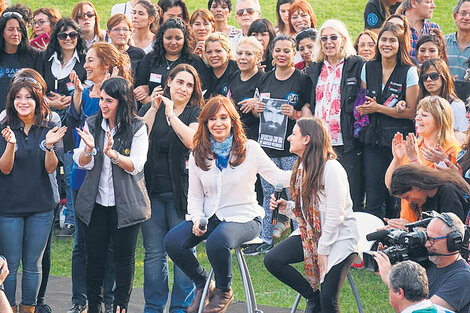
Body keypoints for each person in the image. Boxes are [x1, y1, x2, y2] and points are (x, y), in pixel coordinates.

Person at [164, 95, 291, 313]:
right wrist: (196, 218)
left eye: (224, 117)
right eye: (212, 119)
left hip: (246, 217)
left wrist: (307, 171)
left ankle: (224, 290)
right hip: (211, 216)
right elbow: (194, 196)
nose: (218, 123)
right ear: (205, 124)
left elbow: (277, 176)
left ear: (232, 121)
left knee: (216, 242)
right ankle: (204, 283)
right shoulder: (198, 153)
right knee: (172, 242)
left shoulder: (250, 148)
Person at [264, 117, 358, 313]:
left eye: (294, 134)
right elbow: (305, 211)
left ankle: (319, 300)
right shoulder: (300, 167)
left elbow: (335, 215)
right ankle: (310, 295)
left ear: (307, 139)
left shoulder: (331, 168)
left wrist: (322, 250)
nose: (289, 138)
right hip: (312, 234)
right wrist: (286, 206)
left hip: (339, 238)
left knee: (328, 301)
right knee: (272, 259)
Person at [73, 77, 150, 313]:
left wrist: (113, 155)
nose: (103, 105)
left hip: (126, 204)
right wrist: (88, 150)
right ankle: (95, 307)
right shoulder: (93, 123)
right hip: (96, 203)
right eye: (101, 99)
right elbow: (81, 162)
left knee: (124, 259)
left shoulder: (137, 127)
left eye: (109, 100)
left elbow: (137, 164)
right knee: (94, 258)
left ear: (123, 101)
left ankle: (120, 307)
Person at [67, 42, 132, 313]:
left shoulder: (119, 93)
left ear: (106, 63)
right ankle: (80, 301)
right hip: (83, 176)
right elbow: (73, 128)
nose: (86, 65)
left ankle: (107, 300)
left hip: (110, 180)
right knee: (82, 245)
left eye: (91, 60)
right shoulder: (82, 92)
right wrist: (78, 98)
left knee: (108, 247)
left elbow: (124, 125)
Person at [138, 64, 204, 313]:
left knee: (183, 251)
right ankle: (153, 307)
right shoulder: (152, 107)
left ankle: (181, 307)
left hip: (184, 196)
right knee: (154, 254)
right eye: (180, 82)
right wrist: (155, 109)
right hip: (151, 192)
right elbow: (139, 135)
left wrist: (172, 114)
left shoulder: (196, 112)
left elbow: (191, 140)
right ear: (169, 82)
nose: (184, 89)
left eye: (189, 85)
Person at [0, 78, 66, 313]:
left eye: (28, 97)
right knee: (9, 263)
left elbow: (51, 168)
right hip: (9, 206)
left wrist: (49, 147)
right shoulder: (4, 126)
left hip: (41, 205)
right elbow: (5, 168)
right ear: (12, 101)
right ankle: (7, 308)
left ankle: (28, 308)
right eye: (18, 97)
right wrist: (10, 144)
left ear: (38, 101)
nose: (23, 101)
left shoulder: (50, 128)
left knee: (33, 264)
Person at [243, 35, 312, 255]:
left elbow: (310, 115)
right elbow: (255, 110)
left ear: (294, 53)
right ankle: (265, 238)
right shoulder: (264, 79)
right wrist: (257, 108)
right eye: (278, 50)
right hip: (268, 148)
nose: (282, 55)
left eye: (286, 51)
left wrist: (296, 113)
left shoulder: (303, 80)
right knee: (268, 194)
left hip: (292, 148)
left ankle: (298, 237)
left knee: (295, 193)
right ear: (272, 53)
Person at [356, 23, 419, 219]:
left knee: (397, 193)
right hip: (372, 140)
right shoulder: (368, 67)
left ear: (401, 44)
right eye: (383, 39)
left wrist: (379, 108)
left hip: (398, 142)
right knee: (373, 193)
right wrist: (367, 108)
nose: (387, 44)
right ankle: (372, 242)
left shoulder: (409, 71)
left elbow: (411, 112)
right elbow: (363, 103)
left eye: (392, 40)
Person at [306, 19, 366, 211]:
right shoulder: (315, 68)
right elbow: (309, 100)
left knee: (350, 191)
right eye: (324, 38)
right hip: (320, 141)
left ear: (343, 39)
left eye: (334, 37)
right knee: (322, 190)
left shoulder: (356, 64)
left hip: (346, 140)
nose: (329, 42)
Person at [40, 17, 87, 237]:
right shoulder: (45, 59)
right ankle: (46, 214)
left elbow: (89, 88)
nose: (68, 39)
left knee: (69, 169)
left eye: (73, 35)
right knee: (45, 167)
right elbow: (34, 87)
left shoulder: (85, 60)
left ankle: (70, 220)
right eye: (63, 35)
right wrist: (50, 102)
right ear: (56, 38)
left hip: (72, 121)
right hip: (46, 118)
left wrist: (73, 97)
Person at [385, 96, 461, 226]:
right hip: (407, 221)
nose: (418, 118)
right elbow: (392, 186)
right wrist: (396, 159)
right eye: (417, 114)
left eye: (424, 115)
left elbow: (436, 186)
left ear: (440, 119)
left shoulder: (451, 150)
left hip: (431, 227)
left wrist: (414, 160)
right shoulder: (414, 146)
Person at [375, 212, 470, 312]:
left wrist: (391, 278)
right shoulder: (427, 261)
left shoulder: (464, 277)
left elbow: (423, 310)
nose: (427, 244)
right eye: (426, 237)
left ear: (454, 242)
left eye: (432, 240)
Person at [134, 18, 210, 107]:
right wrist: (156, 105)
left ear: (185, 39)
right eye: (168, 38)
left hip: (184, 112)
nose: (173, 42)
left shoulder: (195, 62)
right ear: (161, 38)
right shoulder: (150, 59)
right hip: (152, 109)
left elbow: (201, 93)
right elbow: (139, 92)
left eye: (178, 38)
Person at [389, 165, 469, 222]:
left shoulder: (448, 192)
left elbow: (452, 231)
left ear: (416, 186)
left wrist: (411, 228)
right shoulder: (426, 198)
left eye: (407, 197)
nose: (409, 201)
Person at [418, 59, 467, 140]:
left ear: (444, 77)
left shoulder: (456, 105)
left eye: (434, 76)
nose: (428, 80)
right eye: (425, 77)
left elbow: (462, 135)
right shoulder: (421, 102)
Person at [0, 11, 40, 111]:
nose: (16, 34)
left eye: (19, 30)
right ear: (2, 32)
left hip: (25, 114)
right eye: (10, 29)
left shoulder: (34, 56)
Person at [228, 36, 263, 141]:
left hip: (253, 138)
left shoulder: (263, 80)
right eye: (239, 53)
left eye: (248, 54)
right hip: (234, 136)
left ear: (258, 58)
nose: (242, 57)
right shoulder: (234, 76)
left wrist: (259, 102)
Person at [204, 32, 238, 98]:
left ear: (228, 52)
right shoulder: (204, 72)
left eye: (218, 51)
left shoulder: (237, 70)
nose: (213, 55)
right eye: (209, 52)